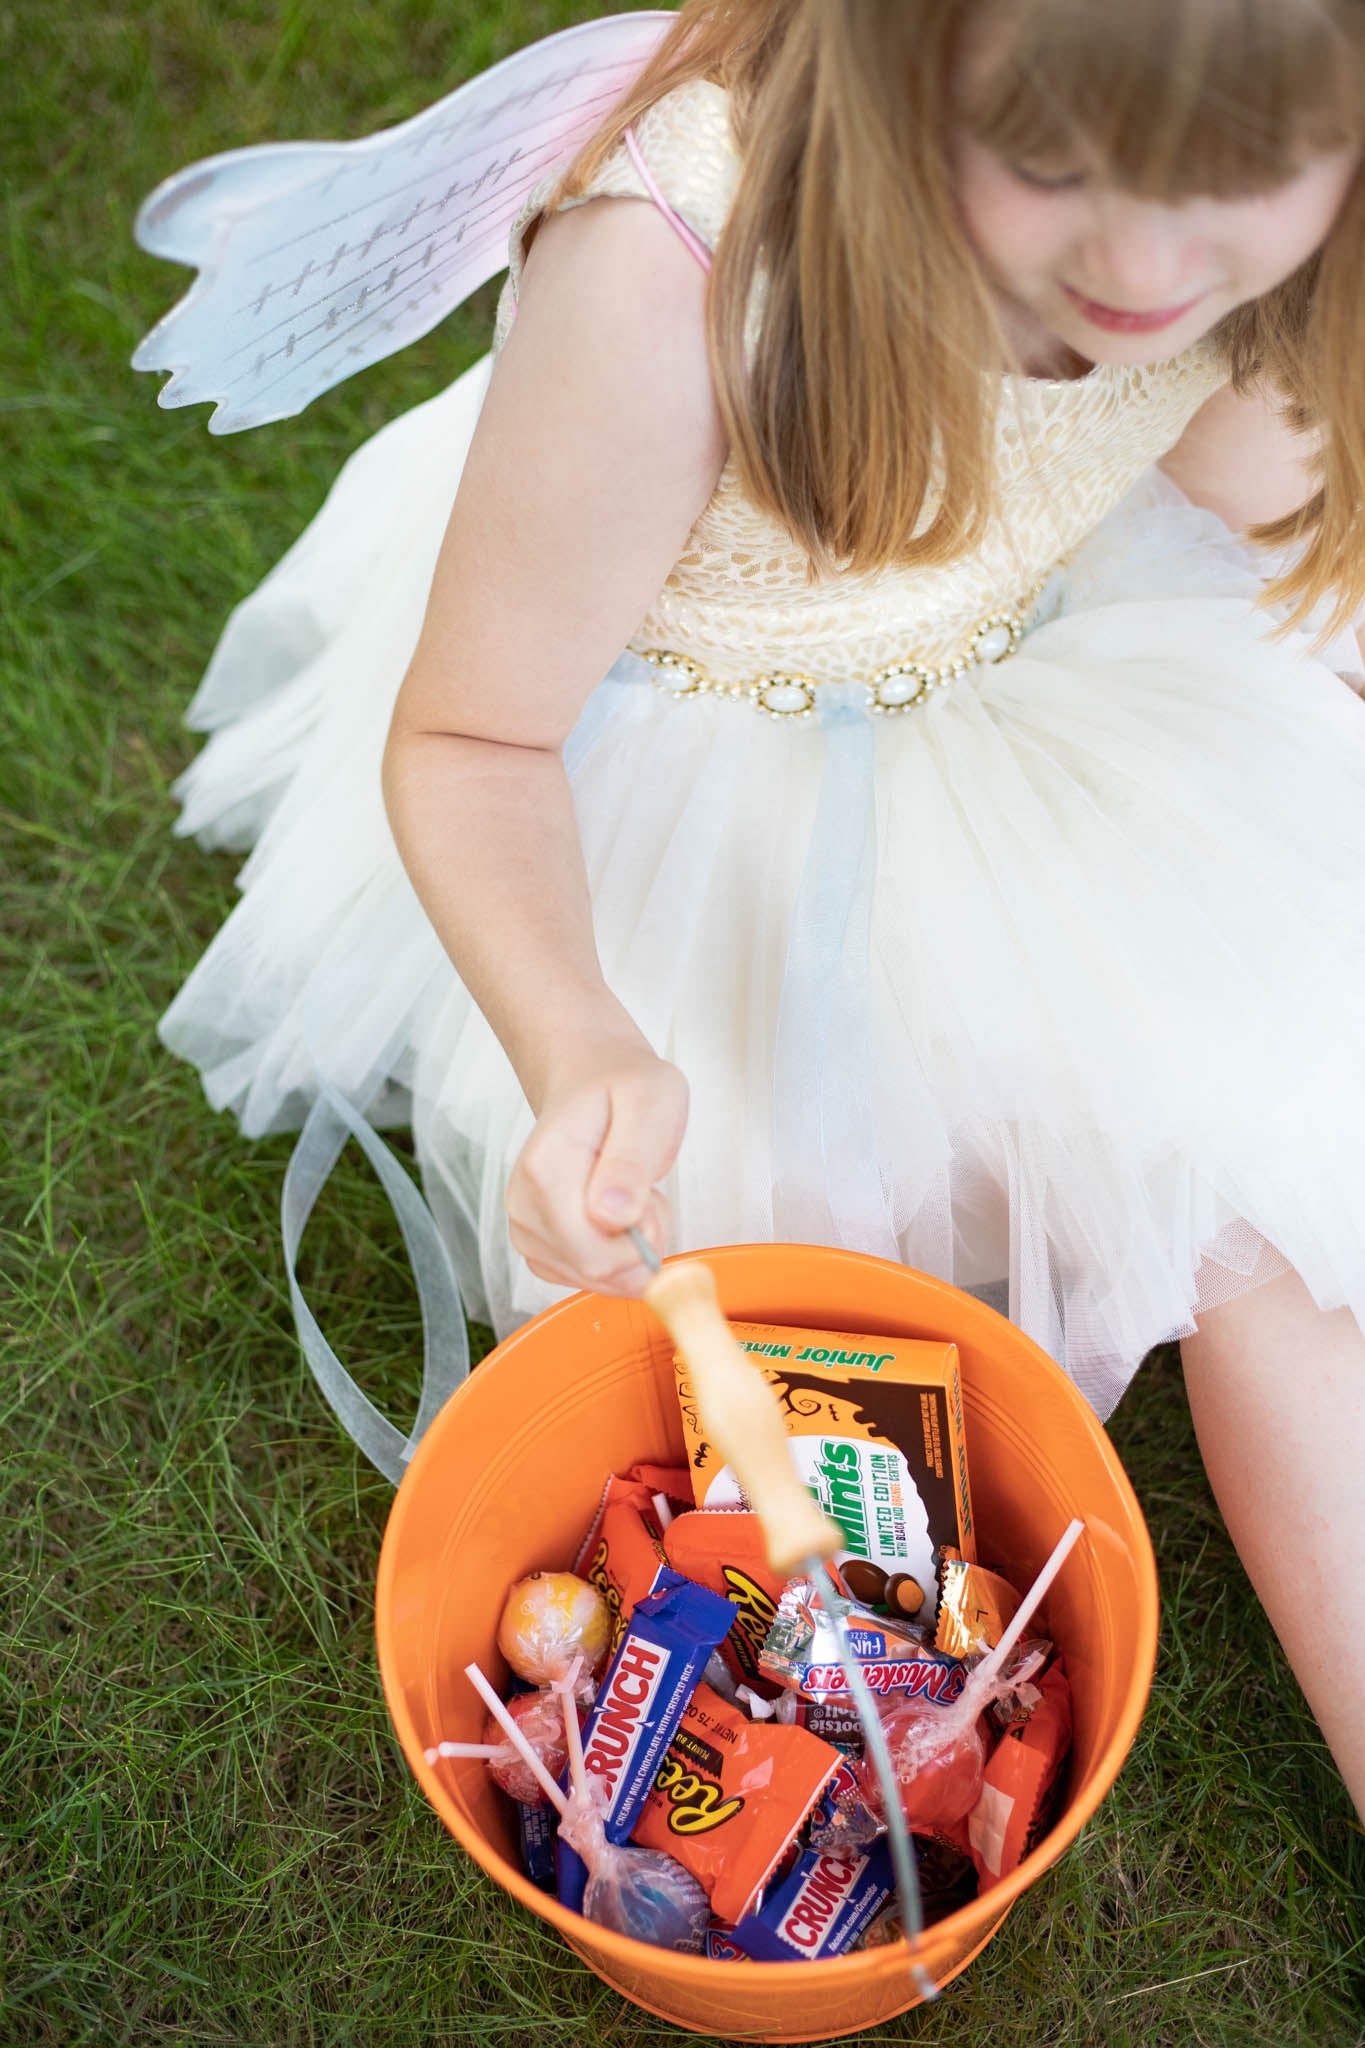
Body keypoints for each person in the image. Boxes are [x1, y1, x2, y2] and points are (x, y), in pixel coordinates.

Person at [156, 0, 1365, 1817]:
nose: (1143, 264)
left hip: (1035, 672)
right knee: (926, 1232)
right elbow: (478, 736)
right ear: (900, 67)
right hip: (658, 753)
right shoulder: (681, 269)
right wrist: (578, 1038)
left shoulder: (1286, 240)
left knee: (1259, 1175)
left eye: (1241, 187)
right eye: (1047, 169)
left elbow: (1265, 514)